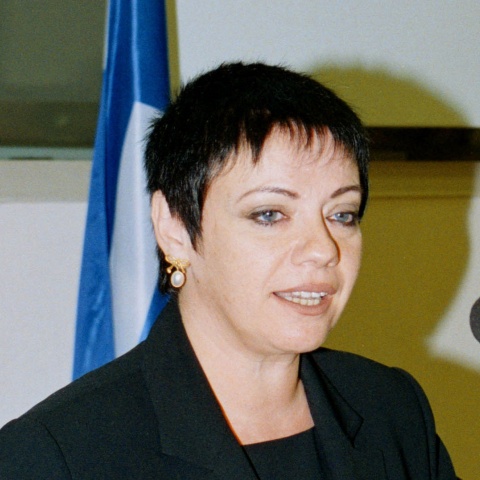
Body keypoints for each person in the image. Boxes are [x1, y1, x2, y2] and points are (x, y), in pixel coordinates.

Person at [0, 62, 457, 479]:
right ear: (175, 228)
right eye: (269, 214)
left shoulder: (391, 408)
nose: (323, 250)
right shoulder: (58, 456)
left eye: (342, 214)